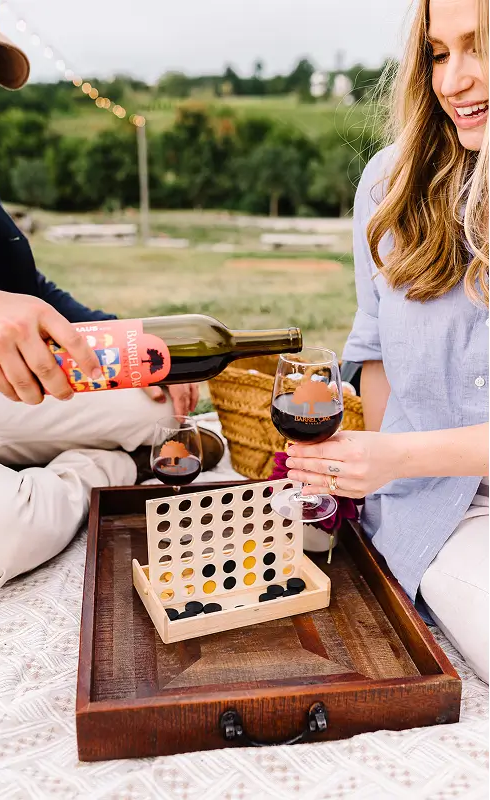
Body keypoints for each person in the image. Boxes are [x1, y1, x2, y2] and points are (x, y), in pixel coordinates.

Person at [0, 0, 202, 590]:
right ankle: (103, 470)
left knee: (164, 406)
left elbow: (29, 293)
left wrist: (133, 340)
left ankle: (32, 462)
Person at [285, 0, 489, 682]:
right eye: (437, 53)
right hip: (446, 504)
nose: (454, 79)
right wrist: (377, 470)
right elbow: (371, 355)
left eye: (477, 47)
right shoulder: (388, 183)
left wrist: (391, 455)